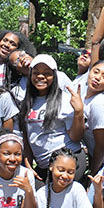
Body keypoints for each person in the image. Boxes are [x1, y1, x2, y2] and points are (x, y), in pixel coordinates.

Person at [18, 54, 87, 182]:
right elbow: (27, 138)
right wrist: (28, 163)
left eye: (47, 73)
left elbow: (76, 137)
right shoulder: (26, 103)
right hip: (44, 166)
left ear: (54, 76)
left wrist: (78, 112)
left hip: (69, 161)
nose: (40, 76)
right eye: (36, 73)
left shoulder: (64, 100)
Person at [81, 60, 104, 175]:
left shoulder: (99, 105)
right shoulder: (82, 97)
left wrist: (93, 173)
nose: (98, 78)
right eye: (96, 72)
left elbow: (102, 145)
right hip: (95, 159)